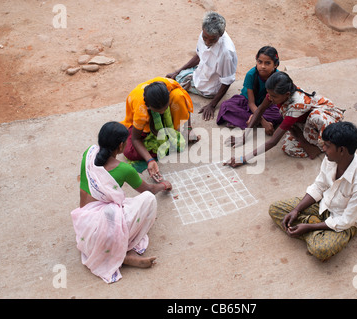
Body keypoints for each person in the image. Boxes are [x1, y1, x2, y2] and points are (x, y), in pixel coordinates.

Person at [71, 121, 172, 283]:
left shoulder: (88, 153)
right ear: (120, 146)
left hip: (84, 229)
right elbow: (149, 190)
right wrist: (164, 185)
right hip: (102, 235)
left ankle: (117, 255)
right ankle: (120, 254)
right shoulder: (125, 169)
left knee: (114, 207)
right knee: (147, 200)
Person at [268, 122, 357, 261]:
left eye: (327, 146)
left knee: (320, 250)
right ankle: (313, 228)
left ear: (342, 150)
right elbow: (319, 186)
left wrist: (308, 227)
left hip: (343, 222)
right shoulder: (331, 159)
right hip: (323, 205)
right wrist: (296, 210)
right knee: (275, 209)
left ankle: (308, 227)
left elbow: (346, 221)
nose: (323, 148)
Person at [224, 71, 345, 167]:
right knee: (288, 148)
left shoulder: (297, 104)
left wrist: (243, 159)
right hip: (301, 122)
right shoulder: (275, 92)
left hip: (323, 114)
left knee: (316, 117)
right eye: (269, 94)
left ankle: (323, 144)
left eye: (274, 96)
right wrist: (244, 136)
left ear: (287, 95)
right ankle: (307, 141)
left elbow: (273, 141)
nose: (270, 98)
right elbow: (260, 109)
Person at [121, 77, 198, 182]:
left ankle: (173, 132)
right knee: (129, 151)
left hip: (159, 107)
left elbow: (185, 102)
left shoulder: (168, 85)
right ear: (148, 106)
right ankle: (165, 138)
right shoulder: (142, 110)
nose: (162, 112)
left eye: (165, 108)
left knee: (178, 95)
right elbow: (135, 139)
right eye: (158, 111)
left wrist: (188, 128)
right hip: (145, 122)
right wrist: (150, 160)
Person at [166, 11, 238, 121]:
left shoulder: (226, 53)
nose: (207, 42)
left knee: (174, 84)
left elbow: (227, 81)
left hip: (208, 89)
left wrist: (212, 105)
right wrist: (178, 70)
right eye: (205, 37)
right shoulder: (205, 33)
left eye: (213, 39)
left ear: (221, 35)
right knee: (175, 76)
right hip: (201, 72)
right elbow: (199, 55)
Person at [216, 46, 283, 135]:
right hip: (247, 102)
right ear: (256, 61)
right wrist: (263, 121)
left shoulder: (278, 77)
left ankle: (250, 120)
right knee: (226, 106)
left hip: (267, 106)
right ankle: (257, 121)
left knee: (281, 113)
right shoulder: (251, 74)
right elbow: (251, 103)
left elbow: (275, 100)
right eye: (260, 62)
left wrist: (255, 115)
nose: (262, 66)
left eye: (267, 63)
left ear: (275, 65)